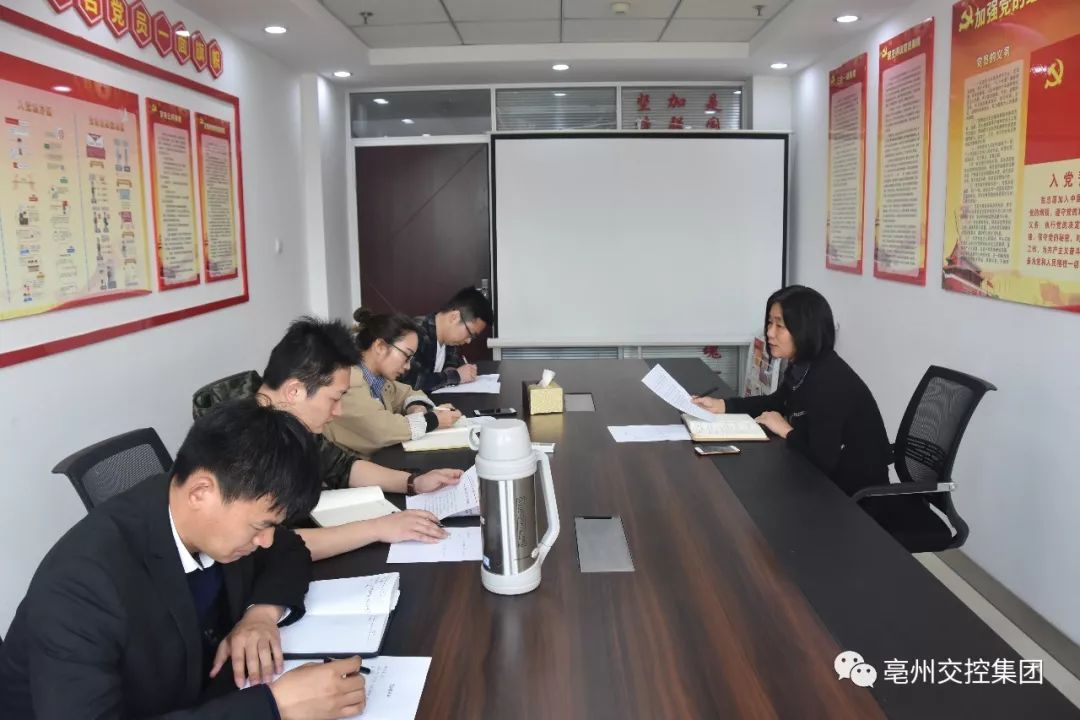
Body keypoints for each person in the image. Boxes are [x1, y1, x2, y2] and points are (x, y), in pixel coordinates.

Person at [0, 400, 367, 719]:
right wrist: (274, 707)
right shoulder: (81, 587)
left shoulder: (212, 516)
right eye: (261, 526)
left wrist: (260, 615)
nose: (267, 539)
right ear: (201, 492)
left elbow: (288, 549)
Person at [192, 317, 462, 561]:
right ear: (295, 391)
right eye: (334, 398)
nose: (338, 411)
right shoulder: (241, 447)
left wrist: (413, 482)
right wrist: (378, 528)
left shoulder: (289, 423)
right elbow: (270, 546)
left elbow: (340, 466)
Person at [692, 286, 891, 496]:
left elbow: (823, 461)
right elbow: (776, 402)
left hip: (855, 497)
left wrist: (786, 431)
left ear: (806, 330)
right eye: (770, 323)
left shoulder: (829, 382)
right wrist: (722, 405)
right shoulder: (804, 366)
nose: (770, 333)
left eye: (780, 326)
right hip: (822, 482)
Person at [323, 308, 462, 457]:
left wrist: (416, 408)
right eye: (406, 356)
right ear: (380, 347)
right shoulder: (348, 382)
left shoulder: (379, 380)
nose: (408, 366)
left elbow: (409, 392)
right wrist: (433, 420)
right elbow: (381, 429)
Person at [400, 286, 493, 392]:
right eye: (470, 334)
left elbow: (452, 362)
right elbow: (410, 383)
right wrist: (456, 375)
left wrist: (457, 371)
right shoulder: (416, 334)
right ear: (454, 317)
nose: (468, 341)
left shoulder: (449, 339)